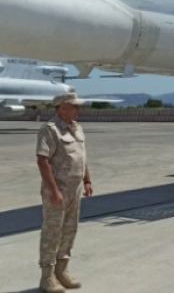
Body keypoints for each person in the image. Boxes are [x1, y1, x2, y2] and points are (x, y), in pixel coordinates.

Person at [36, 93, 93, 293]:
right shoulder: (49, 130)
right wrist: (53, 190)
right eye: (74, 106)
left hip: (75, 189)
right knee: (53, 232)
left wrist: (87, 180)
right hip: (58, 190)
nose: (78, 110)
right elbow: (43, 161)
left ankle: (62, 271)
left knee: (69, 230)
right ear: (61, 108)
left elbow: (82, 157)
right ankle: (47, 276)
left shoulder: (77, 128)